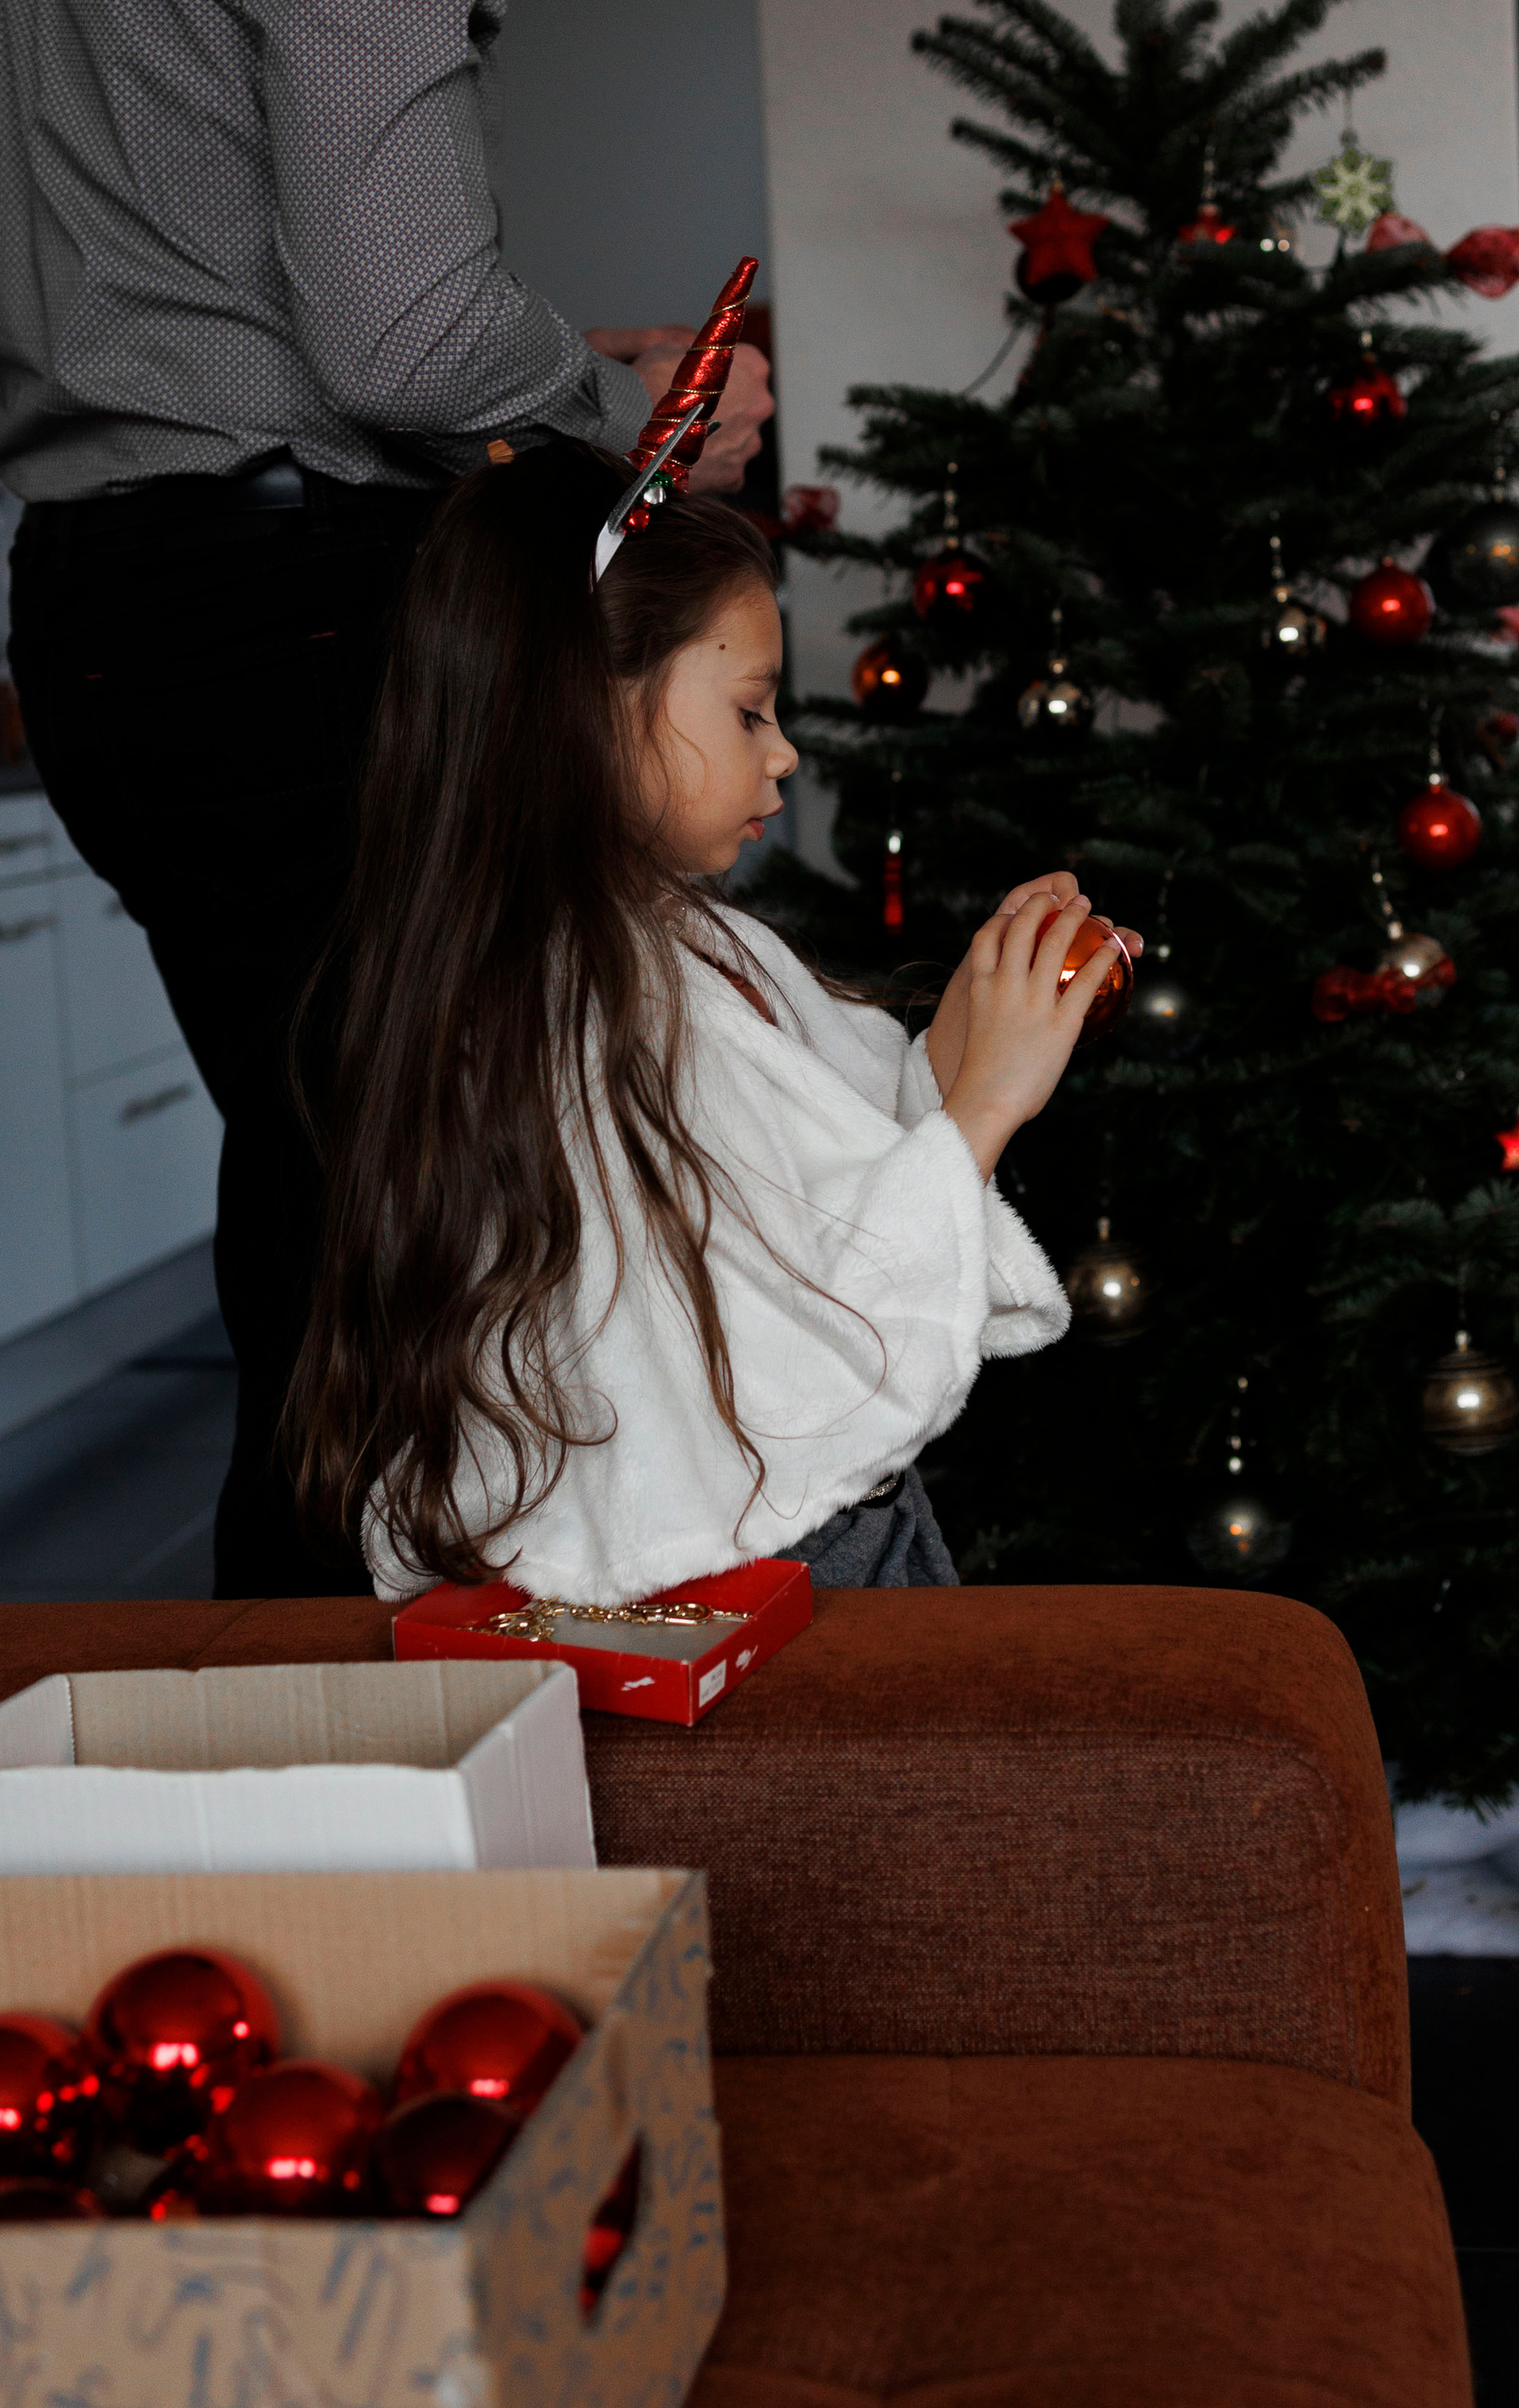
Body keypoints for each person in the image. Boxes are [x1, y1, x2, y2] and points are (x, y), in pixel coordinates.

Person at [0, 0, 770, 1594]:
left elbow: (254, 266)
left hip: (122, 607)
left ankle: (324, 1843)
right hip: (295, 617)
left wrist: (556, 367)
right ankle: (345, 1869)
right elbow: (409, 319)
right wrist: (651, 415)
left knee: (330, 1247)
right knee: (407, 1298)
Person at [288, 444, 1137, 1603]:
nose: (783, 753)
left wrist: (971, 1035)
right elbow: (803, 1381)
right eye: (749, 712)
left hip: (789, 1545)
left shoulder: (672, 941)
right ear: (584, 706)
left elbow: (811, 1163)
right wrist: (987, 1105)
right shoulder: (573, 1009)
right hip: (746, 1574)